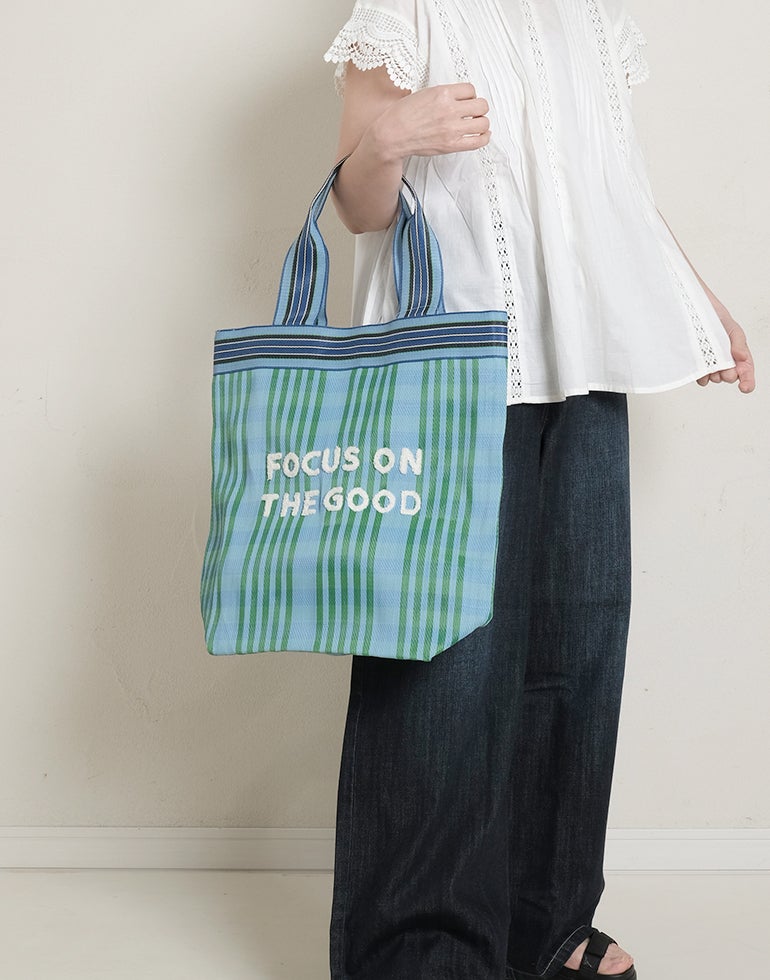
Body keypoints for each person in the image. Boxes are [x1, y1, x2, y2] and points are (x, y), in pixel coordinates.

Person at [320, 2, 756, 978]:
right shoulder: (407, 9)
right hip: (449, 374)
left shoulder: (589, 16)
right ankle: (417, 952)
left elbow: (609, 187)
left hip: (583, 358)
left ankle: (543, 928)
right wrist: (390, 139)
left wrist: (694, 303)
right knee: (441, 664)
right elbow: (357, 206)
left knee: (574, 644)